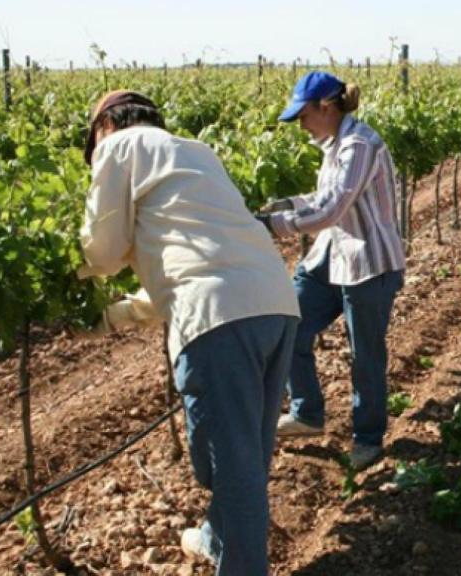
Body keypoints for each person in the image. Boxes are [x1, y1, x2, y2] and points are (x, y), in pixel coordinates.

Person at [79, 90, 300, 575]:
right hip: (276, 306)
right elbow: (192, 264)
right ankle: (218, 539)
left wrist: (65, 281)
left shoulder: (117, 149)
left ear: (104, 128)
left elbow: (104, 251)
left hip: (219, 321)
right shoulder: (196, 152)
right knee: (247, 455)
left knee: (229, 466)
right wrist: (114, 318)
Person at [257, 72, 406, 470]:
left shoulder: (359, 145)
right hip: (331, 256)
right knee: (288, 325)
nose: (300, 125)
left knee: (365, 355)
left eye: (303, 115)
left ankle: (368, 439)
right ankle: (307, 413)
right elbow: (321, 197)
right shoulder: (334, 144)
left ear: (326, 107)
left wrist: (272, 227)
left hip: (368, 263)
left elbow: (331, 210)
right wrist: (284, 204)